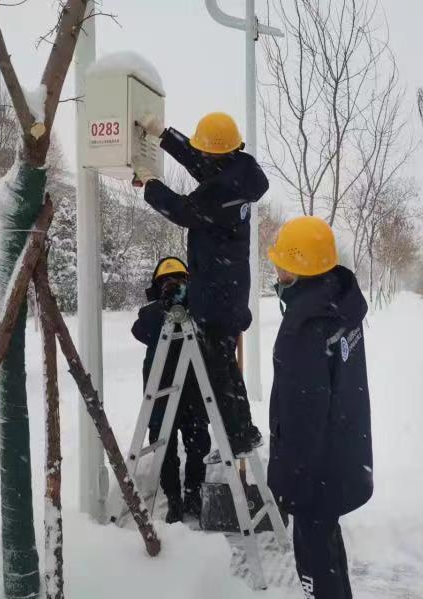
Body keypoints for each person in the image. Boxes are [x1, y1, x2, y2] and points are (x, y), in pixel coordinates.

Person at [132, 112, 266, 457]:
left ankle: (238, 436)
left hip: (217, 295)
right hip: (230, 287)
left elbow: (183, 210)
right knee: (225, 366)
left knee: (218, 371)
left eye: (205, 149)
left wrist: (151, 184)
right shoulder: (239, 170)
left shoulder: (221, 190)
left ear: (217, 153)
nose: (201, 155)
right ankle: (243, 432)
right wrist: (164, 135)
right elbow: (200, 162)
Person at [266, 216, 373, 599]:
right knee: (329, 551)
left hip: (314, 474)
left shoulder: (305, 327)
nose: (276, 271)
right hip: (340, 456)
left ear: (298, 268)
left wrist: (291, 484)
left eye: (282, 264)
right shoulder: (339, 304)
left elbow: (302, 417)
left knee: (315, 566)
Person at [131, 257, 211, 523]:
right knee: (164, 449)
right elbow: (140, 330)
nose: (174, 285)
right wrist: (163, 307)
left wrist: (187, 305)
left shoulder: (198, 311)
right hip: (161, 395)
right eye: (167, 282)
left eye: (179, 280)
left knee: (198, 445)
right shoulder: (151, 315)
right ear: (158, 287)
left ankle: (193, 492)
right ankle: (174, 498)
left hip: (193, 392)